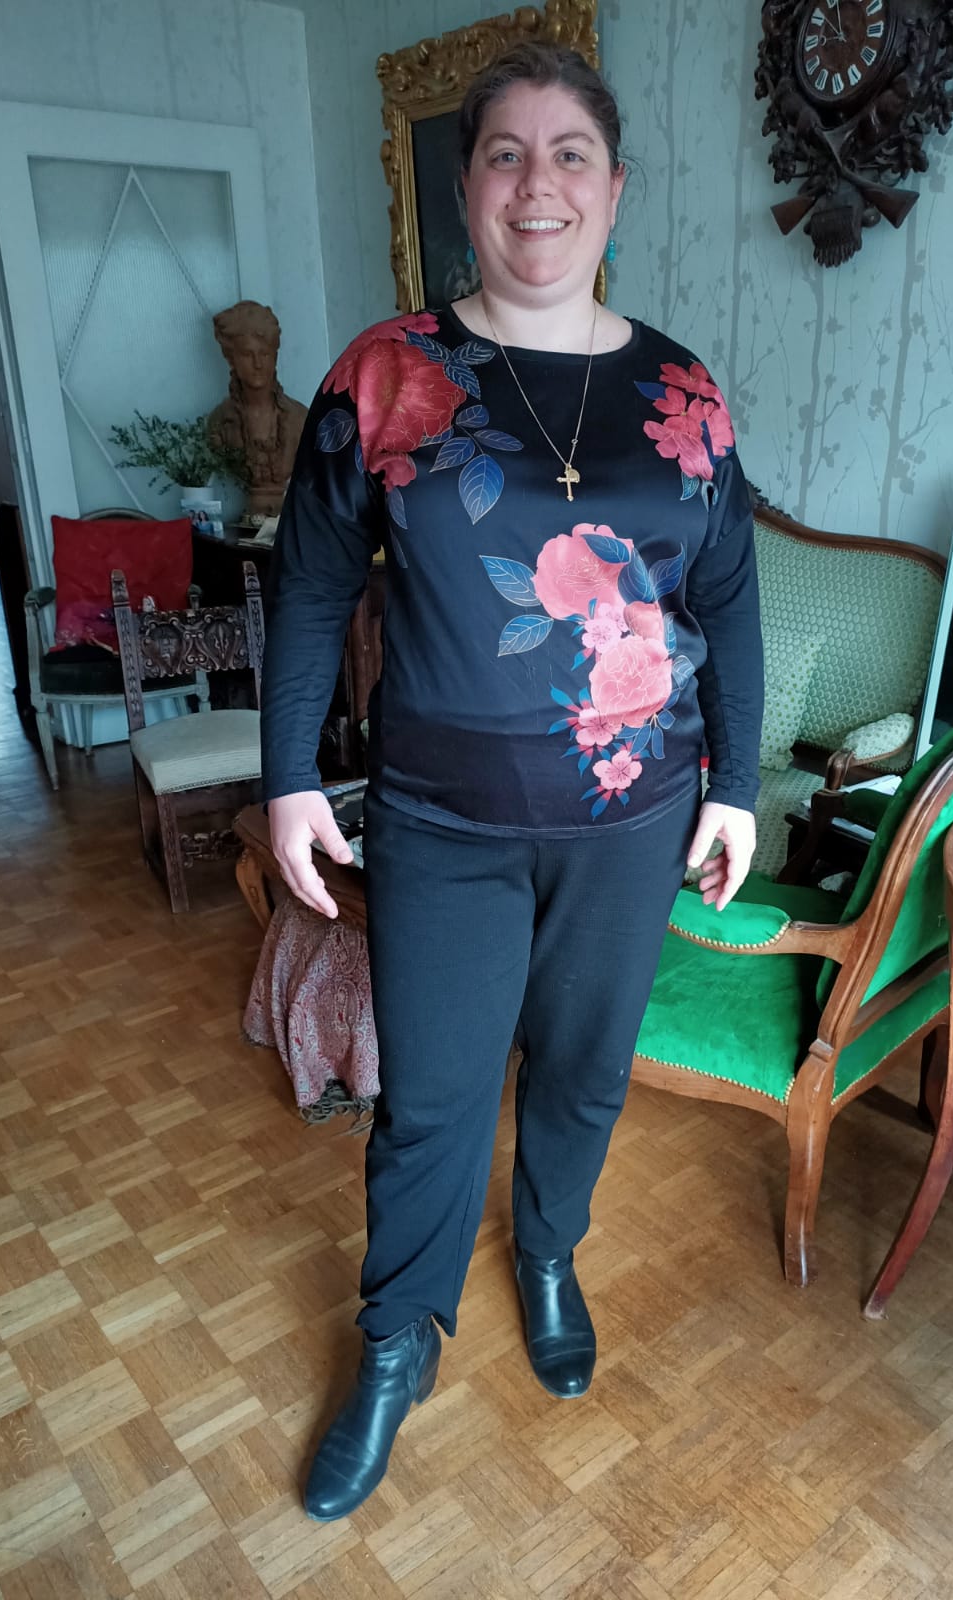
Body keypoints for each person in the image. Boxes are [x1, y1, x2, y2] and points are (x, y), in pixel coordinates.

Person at [262, 41, 763, 1522]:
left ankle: (547, 1251)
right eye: (504, 154)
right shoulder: (385, 375)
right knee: (429, 1096)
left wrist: (737, 781)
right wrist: (290, 774)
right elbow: (308, 585)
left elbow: (727, 595)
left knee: (586, 1070)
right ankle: (398, 1338)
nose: (536, 185)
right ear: (465, 188)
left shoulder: (684, 388)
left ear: (615, 189)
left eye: (569, 155)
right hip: (442, 821)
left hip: (634, 816)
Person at [207, 299, 307, 516]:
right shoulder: (220, 422)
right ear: (231, 359)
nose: (258, 364)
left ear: (275, 356)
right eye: (247, 354)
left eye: (265, 354)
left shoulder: (300, 418)